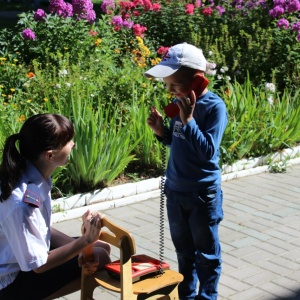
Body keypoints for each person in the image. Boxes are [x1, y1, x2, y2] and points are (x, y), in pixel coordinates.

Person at [145, 43, 228, 300]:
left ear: (197, 81)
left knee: (206, 254)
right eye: (166, 85)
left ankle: (207, 297)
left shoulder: (213, 108)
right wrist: (162, 132)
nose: (169, 91)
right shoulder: (180, 103)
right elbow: (179, 141)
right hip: (176, 190)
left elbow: (206, 152)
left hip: (202, 194)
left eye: (174, 85)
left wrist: (189, 119)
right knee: (184, 252)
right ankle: (187, 296)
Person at [0, 113, 111, 300]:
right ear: (50, 155)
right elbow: (39, 265)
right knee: (100, 257)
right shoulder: (22, 203)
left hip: (20, 262)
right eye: (68, 141)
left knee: (101, 248)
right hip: (10, 283)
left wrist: (86, 246)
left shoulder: (31, 174)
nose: (73, 145)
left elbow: (41, 230)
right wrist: (84, 242)